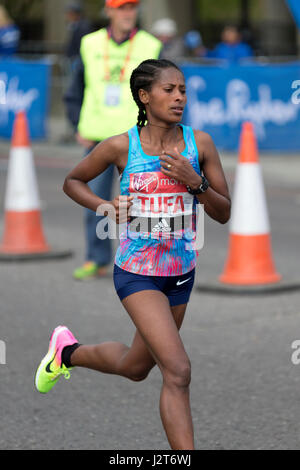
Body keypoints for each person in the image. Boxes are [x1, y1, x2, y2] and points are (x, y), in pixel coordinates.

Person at [35, 58, 231, 450]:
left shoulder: (200, 144)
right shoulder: (121, 146)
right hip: (137, 274)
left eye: (183, 90)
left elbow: (223, 212)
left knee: (136, 367)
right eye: (169, 90)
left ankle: (66, 353)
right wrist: (103, 207)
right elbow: (73, 181)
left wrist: (196, 183)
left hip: (180, 273)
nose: (179, 98)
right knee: (177, 371)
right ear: (145, 96)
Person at [64, 0, 162, 281]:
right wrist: (76, 123)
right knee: (95, 201)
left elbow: (165, 91)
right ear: (109, 11)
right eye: (121, 8)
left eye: (132, 7)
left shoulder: (150, 45)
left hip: (138, 139)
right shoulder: (90, 43)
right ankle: (97, 259)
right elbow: (75, 87)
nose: (127, 13)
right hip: (97, 138)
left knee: (145, 204)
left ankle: (148, 259)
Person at [65, 1, 94, 71]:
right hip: (75, 58)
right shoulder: (76, 25)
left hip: (78, 59)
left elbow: (82, 44)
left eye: (70, 13)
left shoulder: (83, 26)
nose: (68, 16)